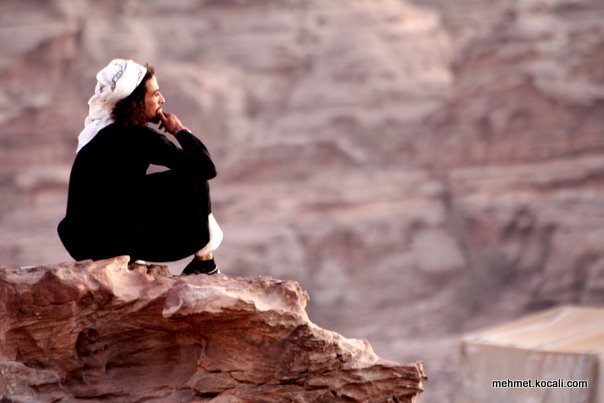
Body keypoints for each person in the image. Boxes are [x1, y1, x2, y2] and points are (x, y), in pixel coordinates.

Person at [57, 59, 222, 275]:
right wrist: (180, 131)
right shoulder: (137, 136)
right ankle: (205, 263)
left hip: (83, 242)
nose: (162, 100)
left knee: (147, 185)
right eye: (155, 95)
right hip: (107, 242)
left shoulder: (100, 134)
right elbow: (206, 168)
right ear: (135, 103)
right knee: (193, 178)